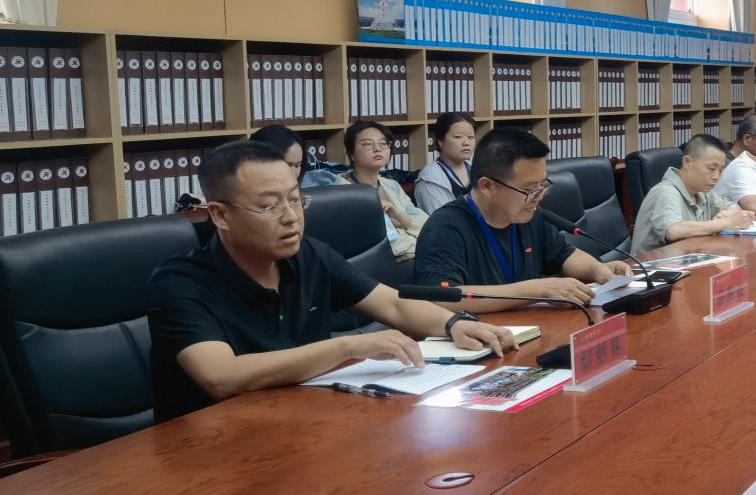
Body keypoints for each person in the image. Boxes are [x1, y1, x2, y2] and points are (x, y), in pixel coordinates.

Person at [146, 141, 517, 423]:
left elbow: (391, 303)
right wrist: (347, 347)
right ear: (220, 216)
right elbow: (221, 377)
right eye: (270, 206)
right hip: (211, 446)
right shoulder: (180, 282)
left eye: (295, 200)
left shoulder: (307, 255)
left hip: (299, 422)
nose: (291, 218)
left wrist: (455, 323)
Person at [411, 126, 634, 310]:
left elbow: (564, 255)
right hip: (480, 337)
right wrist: (536, 290)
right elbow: (444, 297)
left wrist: (598, 269)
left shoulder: (530, 214)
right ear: (487, 186)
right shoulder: (446, 226)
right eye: (529, 190)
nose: (538, 197)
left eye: (542, 186)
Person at [633, 133, 754, 250]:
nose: (716, 177)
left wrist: (730, 214)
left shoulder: (702, 192)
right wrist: (727, 222)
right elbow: (674, 230)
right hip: (653, 263)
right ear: (687, 162)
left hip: (689, 257)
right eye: (711, 168)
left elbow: (732, 207)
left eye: (720, 170)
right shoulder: (665, 192)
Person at [339, 119, 428, 261]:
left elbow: (426, 226)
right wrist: (406, 228)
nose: (377, 149)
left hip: (412, 258)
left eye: (383, 143)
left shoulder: (392, 186)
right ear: (352, 154)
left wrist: (399, 216)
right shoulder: (341, 190)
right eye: (367, 144)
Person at [413, 112, 478, 215]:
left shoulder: (479, 169)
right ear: (441, 142)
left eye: (470, 137)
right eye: (458, 137)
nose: (466, 143)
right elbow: (444, 220)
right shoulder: (430, 179)